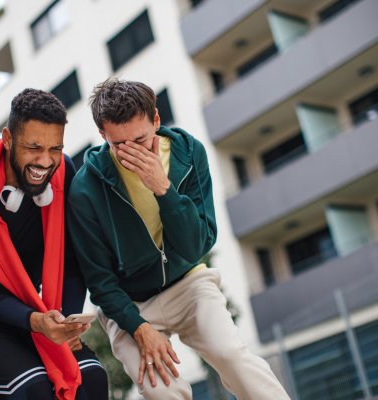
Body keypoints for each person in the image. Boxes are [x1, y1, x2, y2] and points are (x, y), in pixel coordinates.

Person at [67, 78, 291, 400]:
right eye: (119, 145)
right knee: (162, 392)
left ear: (156, 120)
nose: (132, 154)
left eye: (141, 140)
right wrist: (139, 329)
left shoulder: (188, 154)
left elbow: (198, 244)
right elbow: (99, 281)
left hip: (187, 283)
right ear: (103, 135)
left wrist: (163, 189)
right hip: (130, 305)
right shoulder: (85, 189)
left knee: (233, 357)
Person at [0, 89, 108, 400]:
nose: (45, 160)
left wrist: (61, 325)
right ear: (9, 139)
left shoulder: (63, 173)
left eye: (55, 148)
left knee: (91, 380)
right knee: (34, 390)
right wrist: (39, 322)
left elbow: (71, 263)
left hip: (28, 311)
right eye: (34, 147)